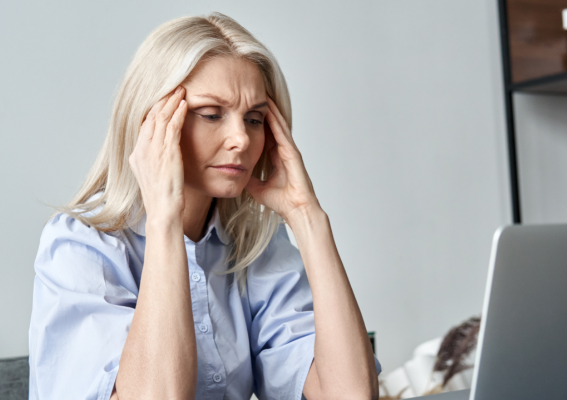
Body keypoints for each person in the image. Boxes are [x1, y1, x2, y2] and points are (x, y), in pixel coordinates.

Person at [28, 12, 380, 400]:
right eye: (211, 114)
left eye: (254, 118)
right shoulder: (79, 246)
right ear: (151, 122)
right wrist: (165, 220)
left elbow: (350, 395)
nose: (241, 139)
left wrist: (308, 217)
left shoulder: (253, 242)